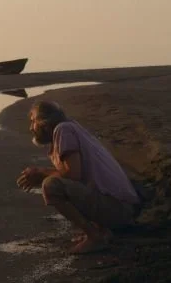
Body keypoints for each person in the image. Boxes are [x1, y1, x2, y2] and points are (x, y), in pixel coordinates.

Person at [16, 100, 139, 254]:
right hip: (121, 207)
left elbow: (72, 174)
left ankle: (95, 237)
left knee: (51, 185)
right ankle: (100, 229)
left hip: (119, 211)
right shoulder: (70, 126)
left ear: (44, 123)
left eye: (33, 121)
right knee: (60, 182)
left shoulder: (63, 130)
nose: (31, 127)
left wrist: (40, 173)